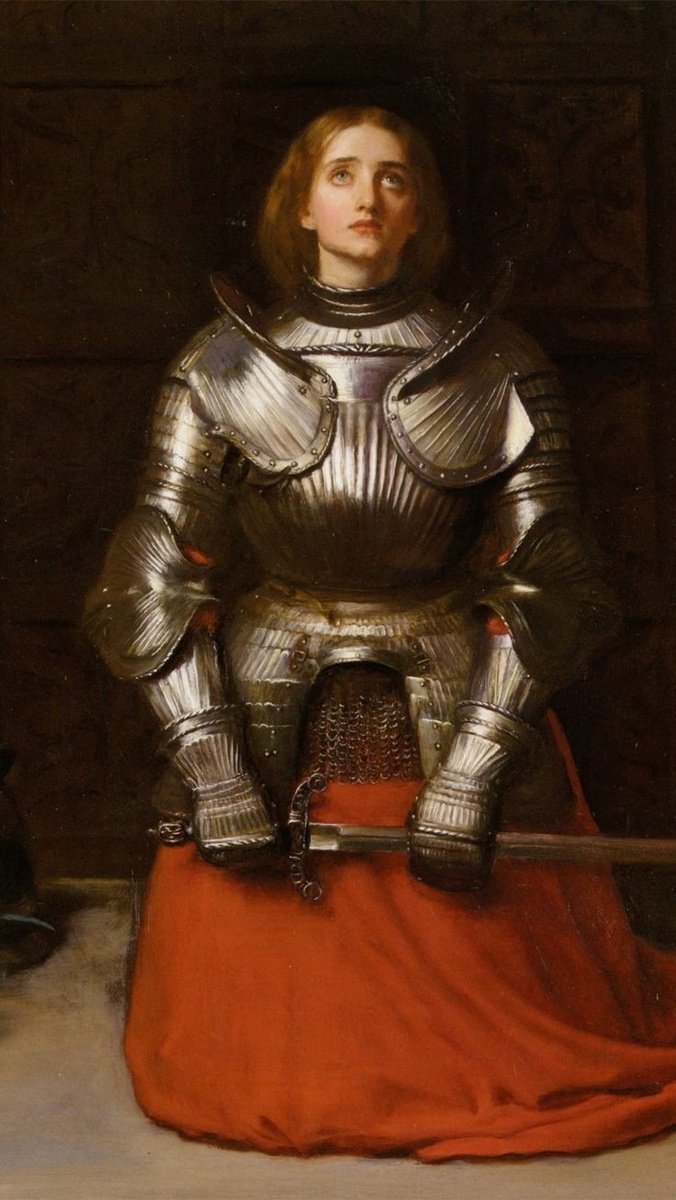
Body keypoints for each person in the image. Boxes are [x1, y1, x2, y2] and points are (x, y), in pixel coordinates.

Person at [84, 107, 676, 1160]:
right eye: (342, 175)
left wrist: (475, 770)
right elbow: (150, 578)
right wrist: (214, 768)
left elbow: (550, 580)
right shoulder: (219, 364)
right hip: (265, 681)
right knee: (241, 1046)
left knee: (501, 1019)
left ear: (420, 213)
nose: (367, 198)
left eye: (393, 179)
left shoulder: (497, 362)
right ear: (300, 208)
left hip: (453, 673)